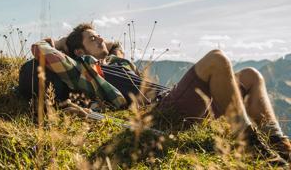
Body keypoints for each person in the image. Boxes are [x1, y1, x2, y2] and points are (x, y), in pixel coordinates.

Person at [22, 23, 290, 165]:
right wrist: (57, 42)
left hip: (180, 100)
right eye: (92, 39)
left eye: (100, 36)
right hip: (161, 112)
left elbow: (117, 48)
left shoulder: (118, 63)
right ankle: (249, 143)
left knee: (252, 75)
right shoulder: (83, 71)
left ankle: (279, 144)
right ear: (79, 52)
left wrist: (100, 45)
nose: (100, 40)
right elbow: (44, 52)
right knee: (217, 59)